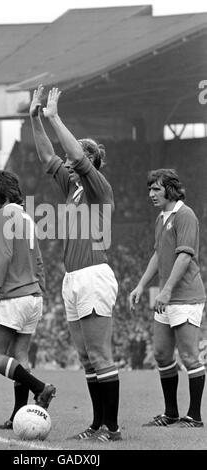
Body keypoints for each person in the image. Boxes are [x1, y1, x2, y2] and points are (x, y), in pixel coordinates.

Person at [29, 85, 121, 442]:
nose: (68, 157)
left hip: (94, 274)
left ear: (89, 161)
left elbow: (72, 154)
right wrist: (34, 117)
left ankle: (111, 429)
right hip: (73, 277)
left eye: (76, 154)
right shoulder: (72, 188)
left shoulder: (99, 186)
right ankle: (98, 424)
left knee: (99, 353)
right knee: (85, 357)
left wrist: (56, 118)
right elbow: (47, 155)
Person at [129, 169, 206, 428]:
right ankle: (171, 413)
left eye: (156, 189)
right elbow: (157, 255)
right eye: (150, 189)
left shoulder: (185, 215)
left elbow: (185, 256)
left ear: (170, 190)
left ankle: (194, 416)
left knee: (188, 356)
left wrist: (166, 290)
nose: (150, 194)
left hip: (185, 296)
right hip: (167, 296)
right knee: (162, 354)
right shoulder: (161, 219)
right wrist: (141, 285)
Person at [0, 171, 56, 430]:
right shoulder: (26, 216)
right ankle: (18, 416)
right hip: (32, 297)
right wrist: (40, 287)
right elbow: (38, 258)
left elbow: (3, 256)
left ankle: (40, 388)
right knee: (20, 355)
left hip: (13, 295)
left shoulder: (4, 215)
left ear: (3, 190)